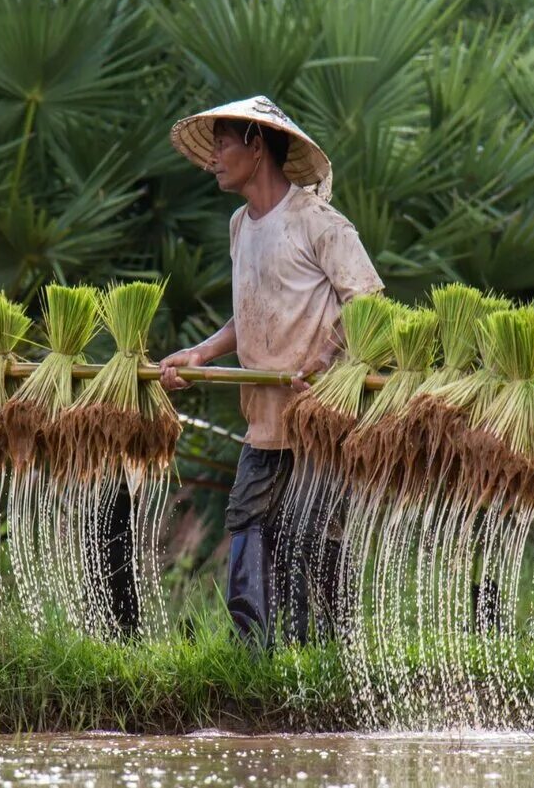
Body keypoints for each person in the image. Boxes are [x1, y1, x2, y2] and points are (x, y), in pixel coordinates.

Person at [160, 96, 384, 646]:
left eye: (222, 144)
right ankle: (252, 664)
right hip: (263, 420)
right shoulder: (241, 225)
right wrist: (201, 354)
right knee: (247, 525)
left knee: (315, 537)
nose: (214, 157)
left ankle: (327, 663)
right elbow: (251, 309)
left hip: (320, 420)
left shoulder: (317, 221)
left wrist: (327, 357)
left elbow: (369, 302)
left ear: (256, 147)